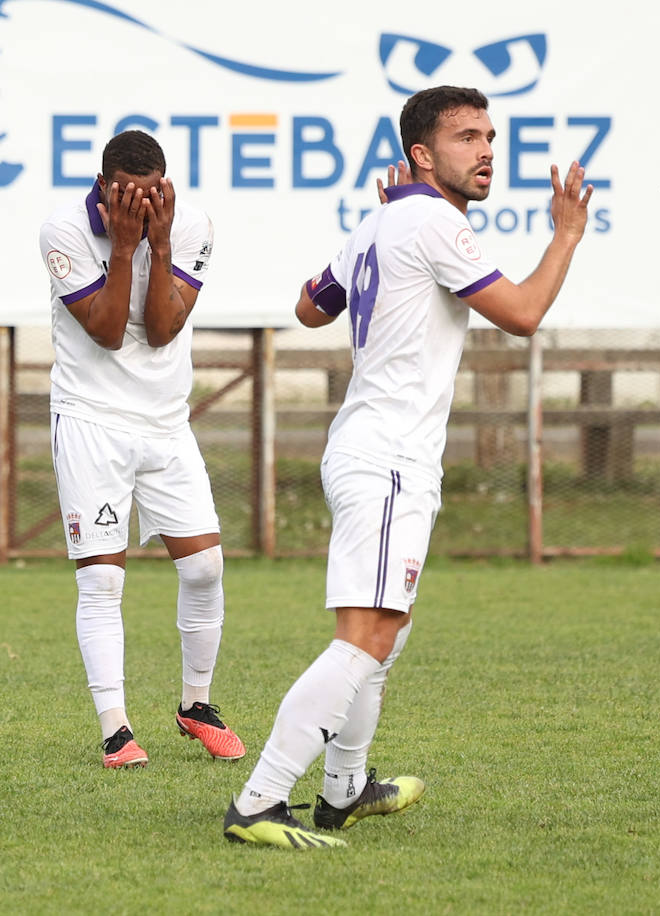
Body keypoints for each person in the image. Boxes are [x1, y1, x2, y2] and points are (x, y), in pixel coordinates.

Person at [222, 86, 592, 847]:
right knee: (365, 633)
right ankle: (258, 802)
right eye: (466, 137)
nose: (487, 149)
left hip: (373, 448)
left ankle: (344, 790)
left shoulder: (384, 218)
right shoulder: (429, 219)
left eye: (490, 135)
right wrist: (566, 234)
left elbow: (309, 307)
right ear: (422, 154)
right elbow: (522, 314)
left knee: (389, 629)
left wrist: (387, 226)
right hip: (387, 456)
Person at [38, 130, 244, 769]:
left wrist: (156, 241)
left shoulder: (190, 225)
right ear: (104, 188)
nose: (146, 204)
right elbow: (103, 331)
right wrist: (126, 246)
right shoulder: (64, 230)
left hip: (165, 425)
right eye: (130, 196)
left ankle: (196, 705)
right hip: (91, 421)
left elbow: (159, 331)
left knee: (205, 567)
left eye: (156, 194)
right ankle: (116, 729)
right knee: (102, 577)